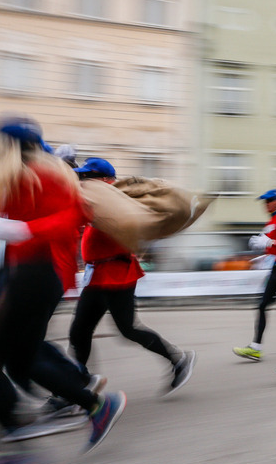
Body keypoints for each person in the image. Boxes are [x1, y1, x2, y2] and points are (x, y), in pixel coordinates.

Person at [0, 118, 125, 464]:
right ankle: (96, 406)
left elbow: (73, 216)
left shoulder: (45, 176)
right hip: (22, 277)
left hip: (33, 277)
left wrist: (19, 231)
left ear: (10, 145)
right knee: (21, 359)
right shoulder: (5, 179)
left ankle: (13, 453)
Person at [68, 158, 195, 395]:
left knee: (126, 329)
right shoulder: (100, 202)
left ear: (106, 181)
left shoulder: (114, 203)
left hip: (116, 274)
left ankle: (178, 359)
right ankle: (77, 385)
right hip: (98, 275)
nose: (84, 181)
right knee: (80, 331)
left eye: (88, 177)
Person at [234, 189, 276, 361]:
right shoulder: (272, 220)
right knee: (262, 305)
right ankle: (256, 347)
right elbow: (274, 247)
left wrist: (268, 242)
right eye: (264, 201)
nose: (266, 204)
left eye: (269, 201)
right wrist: (262, 256)